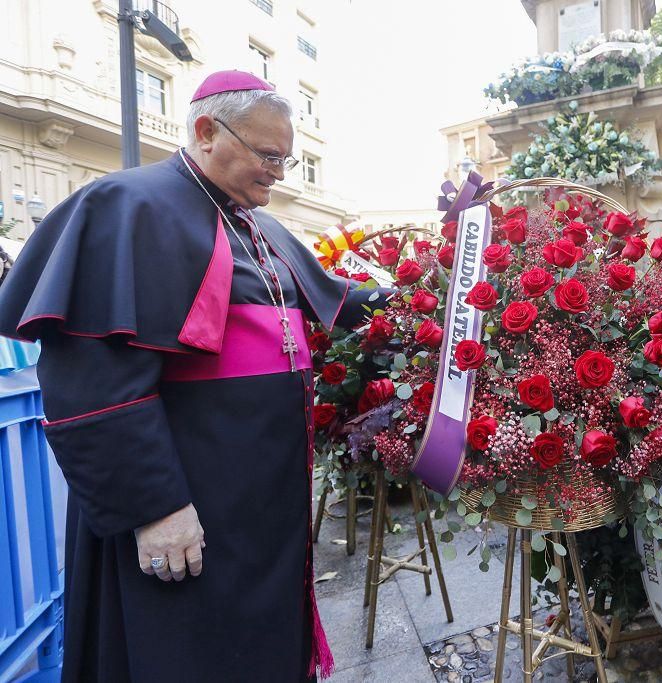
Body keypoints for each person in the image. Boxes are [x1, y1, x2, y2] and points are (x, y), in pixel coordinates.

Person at [0, 70, 382, 682]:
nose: (278, 174)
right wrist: (155, 506)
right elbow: (94, 377)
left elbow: (334, 300)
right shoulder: (127, 206)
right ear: (207, 131)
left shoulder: (260, 227)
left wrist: (434, 289)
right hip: (188, 494)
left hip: (261, 498)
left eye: (286, 160)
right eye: (267, 155)